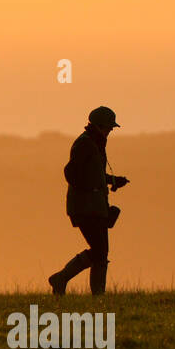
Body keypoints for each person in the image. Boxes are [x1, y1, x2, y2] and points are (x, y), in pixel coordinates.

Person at [49, 107, 128, 296]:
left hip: (96, 206)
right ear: (99, 126)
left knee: (101, 252)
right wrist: (89, 190)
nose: (110, 130)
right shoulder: (85, 144)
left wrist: (113, 180)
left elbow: (95, 175)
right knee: (100, 251)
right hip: (85, 208)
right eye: (109, 127)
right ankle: (63, 279)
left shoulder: (95, 143)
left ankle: (94, 295)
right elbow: (71, 173)